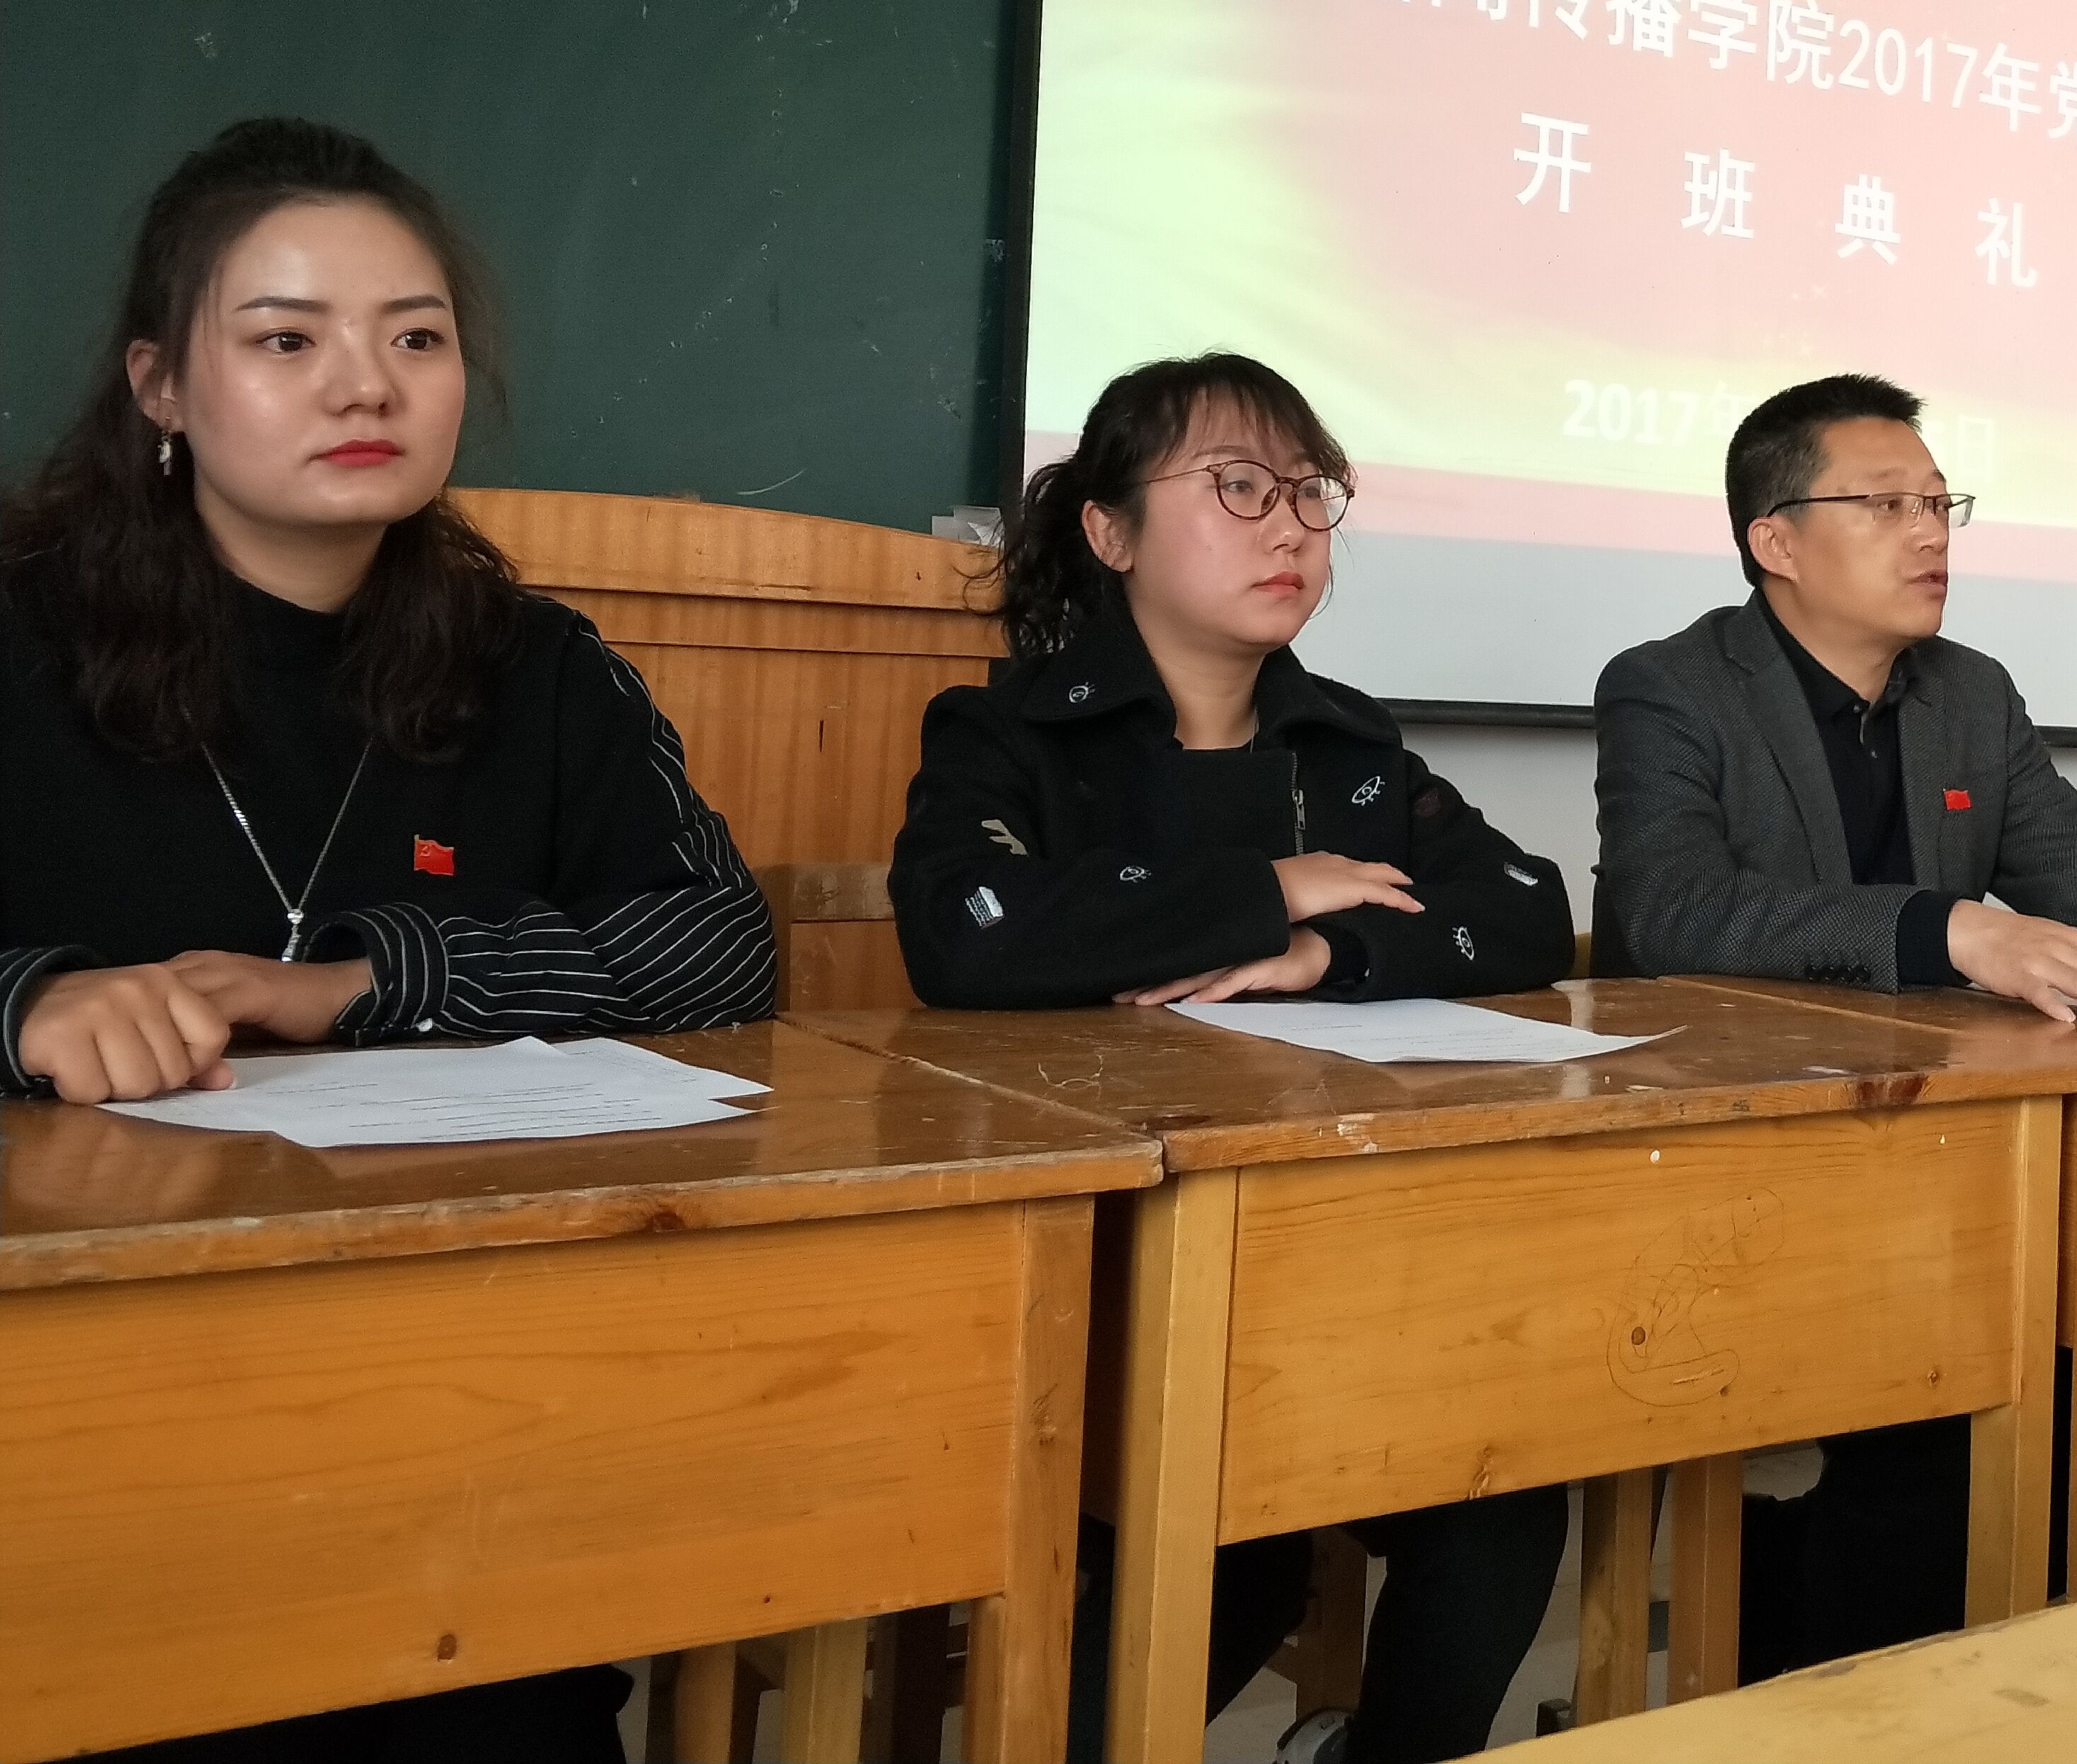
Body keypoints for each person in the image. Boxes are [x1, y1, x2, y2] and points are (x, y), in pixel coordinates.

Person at [0, 117, 773, 1764]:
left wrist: (366, 982)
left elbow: (720, 946)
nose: (366, 384)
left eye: (415, 339)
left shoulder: (534, 665)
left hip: (458, 1407)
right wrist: (26, 1004)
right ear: (159, 383)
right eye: (287, 340)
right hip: (82, 1407)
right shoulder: (18, 623)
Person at [890, 352, 1570, 1764]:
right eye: (1241, 487)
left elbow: (1525, 905)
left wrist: (1334, 953)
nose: (1291, 527)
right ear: (1110, 530)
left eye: (1313, 494)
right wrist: (1269, 888)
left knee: (1506, 1493)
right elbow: (972, 933)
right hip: (1087, 1289)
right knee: (1226, 1533)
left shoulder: (1348, 745)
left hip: (1330, 1269)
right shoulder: (1007, 732)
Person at [1594, 373, 2077, 1664]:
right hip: (1741, 1169)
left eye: (1940, 504)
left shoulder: (1969, 695)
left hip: (1944, 1166)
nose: (1928, 533)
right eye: (1885, 505)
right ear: (1775, 541)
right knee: (1954, 1438)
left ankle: (1861, 1637)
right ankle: (1816, 1657)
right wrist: (1943, 929)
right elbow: (1673, 911)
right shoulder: (1672, 686)